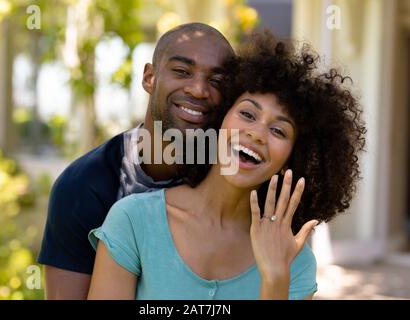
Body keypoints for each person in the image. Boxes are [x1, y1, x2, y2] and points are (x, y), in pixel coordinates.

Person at [87, 30, 366, 299]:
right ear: (220, 120)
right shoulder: (133, 221)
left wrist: (275, 279)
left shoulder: (294, 260)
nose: (256, 133)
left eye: (279, 131)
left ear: (292, 159)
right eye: (247, 114)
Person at [37, 23, 235, 299]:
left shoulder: (236, 182)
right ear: (149, 78)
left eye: (217, 81)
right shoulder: (83, 187)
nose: (199, 90)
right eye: (182, 71)